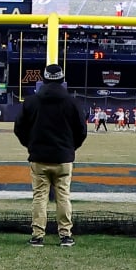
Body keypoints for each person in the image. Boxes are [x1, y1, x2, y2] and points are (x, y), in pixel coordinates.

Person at [14, 63, 88, 247]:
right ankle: (65, 235)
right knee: (63, 195)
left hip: (39, 157)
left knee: (39, 196)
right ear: (62, 79)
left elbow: (19, 128)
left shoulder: (31, 102)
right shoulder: (72, 102)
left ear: (44, 79)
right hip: (63, 157)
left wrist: (30, 145)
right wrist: (70, 148)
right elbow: (82, 130)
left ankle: (38, 235)